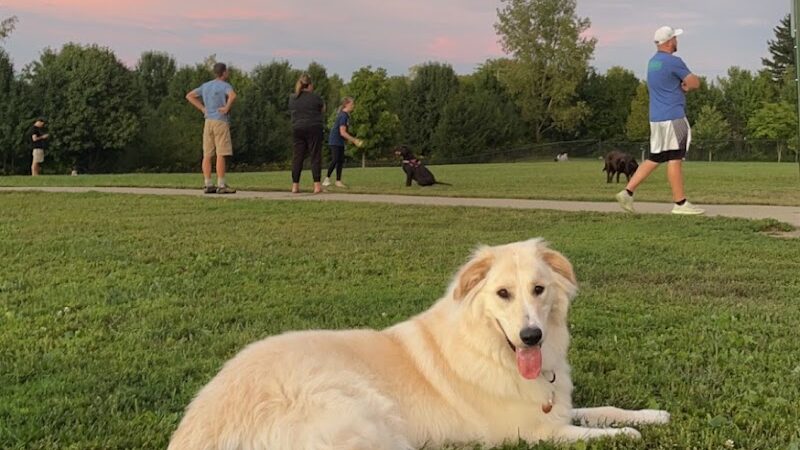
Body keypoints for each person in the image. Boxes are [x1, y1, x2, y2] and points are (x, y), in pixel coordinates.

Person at [616, 26, 704, 215]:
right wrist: (688, 85)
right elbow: (695, 82)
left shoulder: (652, 63)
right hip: (674, 117)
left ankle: (627, 192)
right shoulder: (674, 61)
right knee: (675, 158)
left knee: (656, 157)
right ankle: (680, 204)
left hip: (656, 118)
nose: (677, 42)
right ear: (670, 41)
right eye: (675, 38)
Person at [186, 62, 237, 194]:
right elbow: (233, 95)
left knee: (207, 154)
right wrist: (226, 108)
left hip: (208, 121)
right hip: (220, 120)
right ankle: (221, 184)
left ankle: (208, 183)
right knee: (221, 153)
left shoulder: (206, 86)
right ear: (224, 72)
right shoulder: (225, 86)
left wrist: (203, 108)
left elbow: (190, 95)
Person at [288, 73, 325, 194]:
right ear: (309, 85)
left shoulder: (293, 98)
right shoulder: (315, 97)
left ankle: (295, 186)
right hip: (314, 128)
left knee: (297, 157)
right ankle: (317, 186)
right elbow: (322, 109)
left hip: (297, 128)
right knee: (315, 156)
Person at [323, 97, 363, 188]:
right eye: (352, 104)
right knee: (335, 159)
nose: (353, 106)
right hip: (335, 140)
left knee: (340, 160)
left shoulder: (346, 115)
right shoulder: (343, 115)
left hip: (340, 141)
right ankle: (326, 179)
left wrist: (347, 140)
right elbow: (342, 132)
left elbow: (344, 132)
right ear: (346, 105)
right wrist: (354, 140)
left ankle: (338, 181)